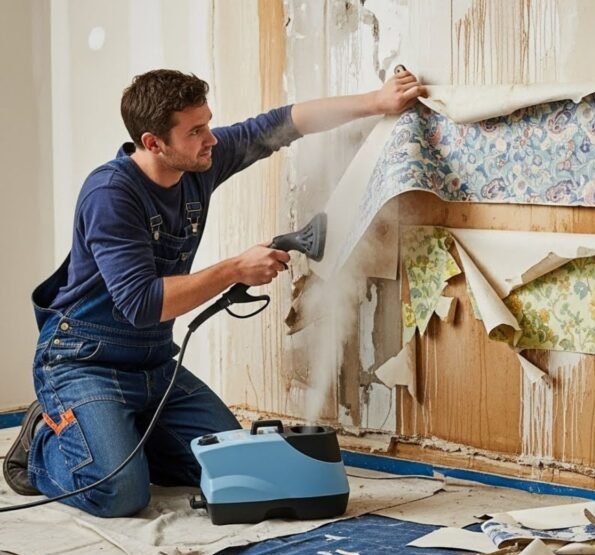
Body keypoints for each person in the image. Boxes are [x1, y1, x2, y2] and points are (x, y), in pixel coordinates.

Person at [3, 67, 426, 517]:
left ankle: (124, 434)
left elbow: (281, 124)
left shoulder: (198, 166)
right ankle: (43, 447)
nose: (212, 139)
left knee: (235, 470)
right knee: (120, 494)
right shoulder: (111, 194)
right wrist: (233, 269)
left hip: (152, 363)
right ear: (153, 143)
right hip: (85, 360)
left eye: (208, 123)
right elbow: (143, 304)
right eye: (196, 131)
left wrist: (376, 102)